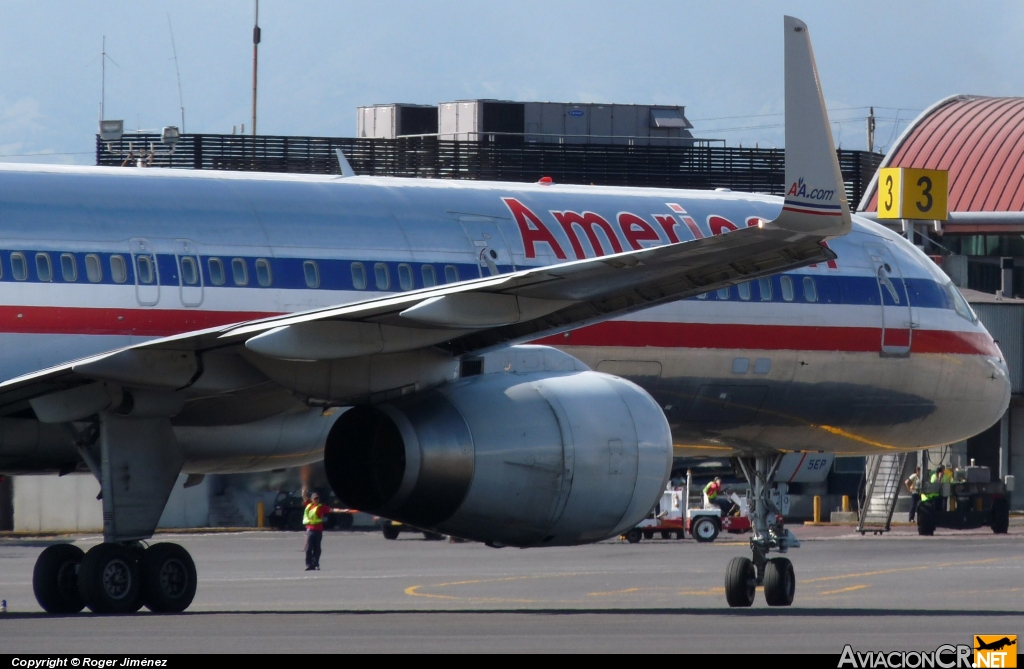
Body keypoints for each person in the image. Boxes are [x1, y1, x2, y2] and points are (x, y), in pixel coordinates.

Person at [302, 492, 339, 571]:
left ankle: (316, 564)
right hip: (310, 529)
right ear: (312, 500)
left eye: (317, 498)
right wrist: (304, 487)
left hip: (318, 530)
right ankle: (309, 564)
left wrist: (343, 511)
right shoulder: (309, 506)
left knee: (317, 548)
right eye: (315, 498)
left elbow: (331, 510)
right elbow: (304, 496)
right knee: (308, 548)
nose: (316, 500)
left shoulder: (321, 507)